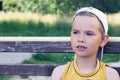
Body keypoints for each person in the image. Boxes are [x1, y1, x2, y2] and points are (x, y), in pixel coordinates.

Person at [51, 7, 120, 80]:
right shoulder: (59, 73)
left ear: (103, 40)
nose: (81, 39)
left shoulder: (110, 75)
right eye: (75, 32)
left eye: (89, 34)